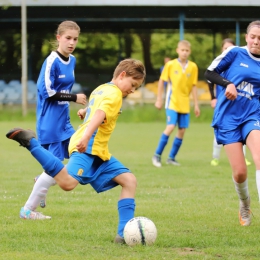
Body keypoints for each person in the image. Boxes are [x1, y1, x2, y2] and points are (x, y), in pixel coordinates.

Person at [6, 58, 146, 243]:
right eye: (133, 84)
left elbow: (95, 109)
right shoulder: (115, 95)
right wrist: (87, 136)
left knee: (129, 180)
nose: (133, 90)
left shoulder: (103, 88)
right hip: (89, 146)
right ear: (122, 75)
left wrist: (84, 112)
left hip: (99, 150)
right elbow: (100, 113)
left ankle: (123, 235)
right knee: (67, 183)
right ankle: (31, 143)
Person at [20, 20, 87, 219]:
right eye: (68, 38)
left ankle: (41, 179)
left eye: (75, 39)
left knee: (80, 153)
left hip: (64, 121)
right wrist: (74, 97)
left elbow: (63, 87)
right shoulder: (51, 61)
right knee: (56, 165)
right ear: (58, 38)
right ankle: (27, 211)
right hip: (49, 121)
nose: (71, 42)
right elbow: (46, 91)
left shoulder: (72, 60)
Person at [204, 20, 260, 226]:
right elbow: (209, 73)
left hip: (253, 115)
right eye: (253, 37)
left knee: (259, 156)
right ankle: (245, 204)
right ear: (246, 37)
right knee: (240, 172)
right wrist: (228, 84)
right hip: (228, 118)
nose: (256, 41)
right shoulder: (235, 53)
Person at [152, 40, 200, 167]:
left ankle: (171, 158)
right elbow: (162, 81)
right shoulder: (171, 65)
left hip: (185, 103)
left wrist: (196, 104)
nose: (184, 53)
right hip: (172, 101)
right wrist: (159, 99)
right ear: (177, 50)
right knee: (170, 126)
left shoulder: (193, 67)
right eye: (182, 50)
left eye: (187, 50)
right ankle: (157, 155)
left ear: (190, 52)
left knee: (182, 130)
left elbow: (194, 86)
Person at [208, 38, 251, 167]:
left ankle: (242, 158)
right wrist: (213, 98)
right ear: (222, 50)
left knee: (242, 131)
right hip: (223, 104)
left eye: (230, 48)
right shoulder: (219, 64)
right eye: (225, 48)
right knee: (221, 131)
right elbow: (209, 79)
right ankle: (215, 157)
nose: (228, 50)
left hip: (239, 105)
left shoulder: (239, 64)